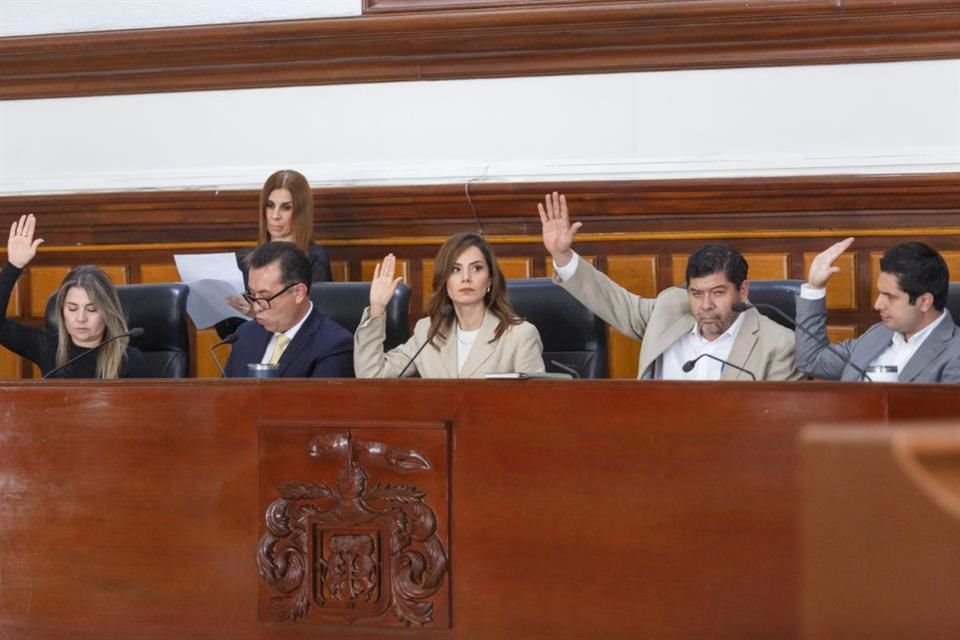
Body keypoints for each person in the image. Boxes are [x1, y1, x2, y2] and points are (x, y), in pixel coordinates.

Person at [537, 192, 799, 381]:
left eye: (718, 293)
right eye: (696, 293)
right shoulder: (670, 309)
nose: (705, 305)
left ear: (743, 290)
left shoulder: (778, 344)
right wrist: (563, 256)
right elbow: (613, 301)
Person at [354, 232, 545, 378]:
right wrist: (377, 308)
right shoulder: (428, 331)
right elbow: (371, 374)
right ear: (444, 280)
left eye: (476, 268)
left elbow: (538, 405)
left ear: (490, 281)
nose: (466, 278)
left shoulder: (520, 336)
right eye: (455, 269)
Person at [0, 214, 146, 378]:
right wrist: (13, 266)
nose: (80, 318)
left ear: (107, 312)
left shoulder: (129, 359)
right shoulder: (47, 347)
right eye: (72, 308)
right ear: (62, 311)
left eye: (91, 309)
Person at [796, 238, 960, 382]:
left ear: (924, 302)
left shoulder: (955, 351)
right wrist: (815, 288)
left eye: (890, 296)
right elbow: (812, 361)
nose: (877, 304)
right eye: (880, 293)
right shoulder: (878, 333)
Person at [217, 169, 332, 338]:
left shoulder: (314, 258)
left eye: (286, 208)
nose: (275, 216)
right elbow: (230, 333)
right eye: (270, 206)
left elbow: (317, 321)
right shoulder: (245, 260)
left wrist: (256, 313)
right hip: (253, 348)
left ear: (300, 212)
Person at [223, 241, 353, 378]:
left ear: (298, 293)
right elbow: (223, 396)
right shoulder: (245, 335)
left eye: (265, 297)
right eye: (252, 295)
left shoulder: (333, 345)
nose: (256, 308)